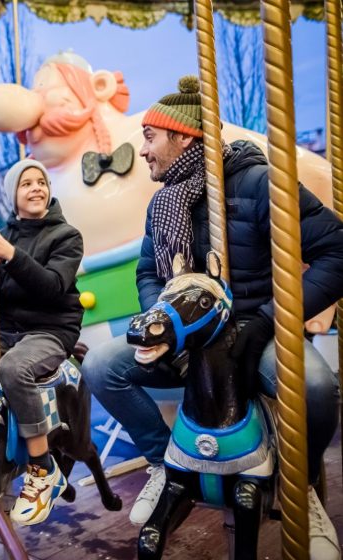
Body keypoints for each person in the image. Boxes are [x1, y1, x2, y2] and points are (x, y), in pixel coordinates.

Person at [82, 76, 343, 558]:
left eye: (149, 137)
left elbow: (335, 251)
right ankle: (164, 464)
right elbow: (146, 270)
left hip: (253, 328)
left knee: (317, 386)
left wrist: (270, 318)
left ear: (183, 137)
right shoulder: (162, 204)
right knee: (100, 366)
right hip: (187, 336)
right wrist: (164, 318)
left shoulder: (258, 182)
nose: (142, 151)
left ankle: (299, 486)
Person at [0, 159, 84, 526]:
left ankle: (42, 466)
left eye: (41, 182)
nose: (36, 188)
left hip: (50, 330)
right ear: (13, 196)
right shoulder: (4, 238)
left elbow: (52, 287)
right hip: (9, 330)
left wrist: (11, 256)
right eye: (26, 184)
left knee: (13, 368)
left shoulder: (66, 236)